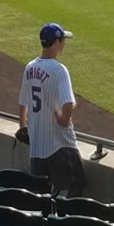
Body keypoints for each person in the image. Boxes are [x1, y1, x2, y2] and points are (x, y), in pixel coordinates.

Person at [18, 23, 84, 196]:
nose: (64, 44)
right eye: (62, 40)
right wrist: (63, 119)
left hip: (37, 146)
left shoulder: (30, 67)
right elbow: (68, 103)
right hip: (59, 144)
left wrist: (23, 127)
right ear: (56, 42)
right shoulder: (59, 70)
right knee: (75, 185)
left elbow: (23, 103)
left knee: (41, 194)